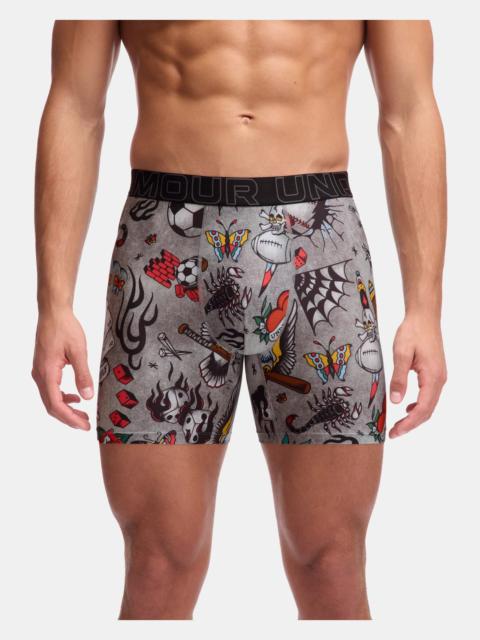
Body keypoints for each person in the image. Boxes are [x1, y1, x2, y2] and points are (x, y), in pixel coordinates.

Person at [32, 20, 447, 620]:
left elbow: (408, 111)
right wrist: (53, 304)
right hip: (164, 249)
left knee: (330, 562)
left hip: (319, 242)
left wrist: (426, 310)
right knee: (158, 563)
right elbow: (75, 106)